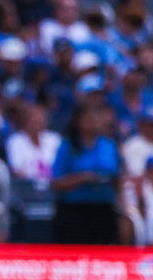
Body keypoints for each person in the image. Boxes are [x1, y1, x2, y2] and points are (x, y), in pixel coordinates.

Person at [51, 101, 122, 244]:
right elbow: (55, 182)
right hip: (74, 212)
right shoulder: (67, 147)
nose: (93, 122)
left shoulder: (109, 145)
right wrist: (82, 178)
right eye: (89, 118)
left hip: (104, 210)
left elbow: (117, 177)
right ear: (78, 121)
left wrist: (119, 201)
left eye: (96, 118)